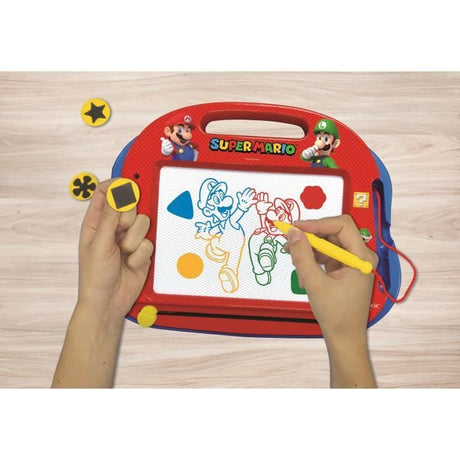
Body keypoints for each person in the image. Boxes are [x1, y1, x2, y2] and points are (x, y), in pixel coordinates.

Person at [52, 179, 378, 388]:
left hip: (233, 244)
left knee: (238, 255)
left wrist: (101, 309)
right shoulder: (216, 220)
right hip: (220, 244)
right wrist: (346, 337)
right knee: (228, 254)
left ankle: (242, 267)